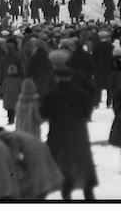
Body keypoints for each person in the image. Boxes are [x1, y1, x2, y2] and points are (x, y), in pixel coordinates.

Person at [39, 59, 97, 200]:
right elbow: (87, 112)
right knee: (83, 167)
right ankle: (89, 196)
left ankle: (65, 196)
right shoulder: (81, 93)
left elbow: (43, 114)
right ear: (71, 77)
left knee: (59, 168)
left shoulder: (50, 95)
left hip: (58, 135)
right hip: (79, 135)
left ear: (56, 77)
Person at [0, 127, 63, 199]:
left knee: (32, 185)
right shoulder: (13, 133)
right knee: (40, 183)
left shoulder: (2, 136)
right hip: (40, 150)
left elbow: (14, 154)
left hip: (32, 155)